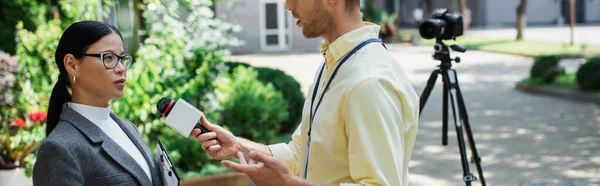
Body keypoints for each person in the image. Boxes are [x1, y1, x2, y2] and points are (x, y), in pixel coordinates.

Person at [191, 0, 420, 185]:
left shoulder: (369, 82)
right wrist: (237, 146)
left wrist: (287, 184)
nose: (288, 6)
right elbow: (301, 153)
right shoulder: (334, 63)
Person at [33, 21, 163, 186]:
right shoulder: (59, 149)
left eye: (122, 58)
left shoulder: (128, 128)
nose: (121, 68)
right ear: (72, 65)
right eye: (108, 58)